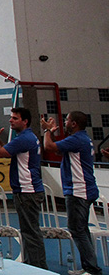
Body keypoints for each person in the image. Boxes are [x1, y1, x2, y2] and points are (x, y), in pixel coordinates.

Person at [0, 107, 47, 269]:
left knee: (30, 232)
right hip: (28, 190)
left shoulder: (24, 139)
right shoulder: (26, 138)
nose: (11, 120)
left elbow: (0, 153)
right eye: (11, 117)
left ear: (25, 121)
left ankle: (37, 267)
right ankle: (33, 264)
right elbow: (7, 151)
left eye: (15, 118)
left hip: (27, 190)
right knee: (29, 231)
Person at [41, 112, 99, 275]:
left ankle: (92, 268)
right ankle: (89, 265)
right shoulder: (81, 139)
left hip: (78, 190)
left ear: (74, 124)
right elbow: (59, 151)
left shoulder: (77, 139)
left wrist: (46, 131)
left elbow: (49, 147)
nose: (64, 122)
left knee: (77, 230)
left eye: (67, 120)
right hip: (84, 188)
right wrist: (51, 134)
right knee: (82, 229)